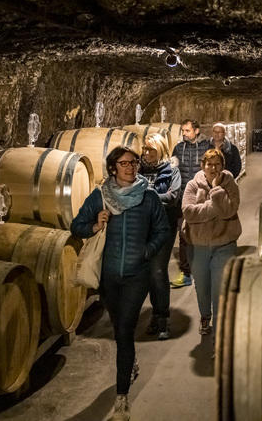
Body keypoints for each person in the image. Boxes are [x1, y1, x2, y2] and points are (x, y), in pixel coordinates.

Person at [70, 146, 170, 421]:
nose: (130, 167)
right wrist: (94, 225)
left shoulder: (148, 197)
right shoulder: (101, 197)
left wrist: (147, 252)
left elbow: (163, 229)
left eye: (134, 162)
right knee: (118, 327)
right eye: (124, 163)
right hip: (109, 277)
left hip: (137, 276)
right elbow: (75, 225)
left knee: (125, 328)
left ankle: (121, 397)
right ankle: (130, 362)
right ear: (113, 168)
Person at [181, 148, 241, 338]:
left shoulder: (230, 182)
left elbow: (229, 211)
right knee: (202, 287)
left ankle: (220, 326)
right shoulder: (192, 185)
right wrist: (214, 206)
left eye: (217, 164)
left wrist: (215, 190)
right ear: (202, 165)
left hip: (224, 243)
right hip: (198, 246)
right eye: (209, 164)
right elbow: (188, 213)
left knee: (219, 287)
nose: (213, 168)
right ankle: (205, 316)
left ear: (223, 166)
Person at [139, 133, 181, 340]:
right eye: (145, 149)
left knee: (157, 270)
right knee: (148, 273)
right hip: (143, 227)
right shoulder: (138, 170)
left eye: (151, 150)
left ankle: (163, 317)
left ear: (161, 150)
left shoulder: (172, 170)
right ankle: (156, 315)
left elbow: (172, 197)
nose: (146, 153)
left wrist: (148, 194)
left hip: (164, 227)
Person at [169, 119, 211, 288]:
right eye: (183, 131)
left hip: (202, 198)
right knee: (184, 235)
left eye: (187, 130)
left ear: (196, 130)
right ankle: (186, 273)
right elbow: (173, 170)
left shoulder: (207, 147)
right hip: (183, 198)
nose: (184, 134)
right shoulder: (179, 148)